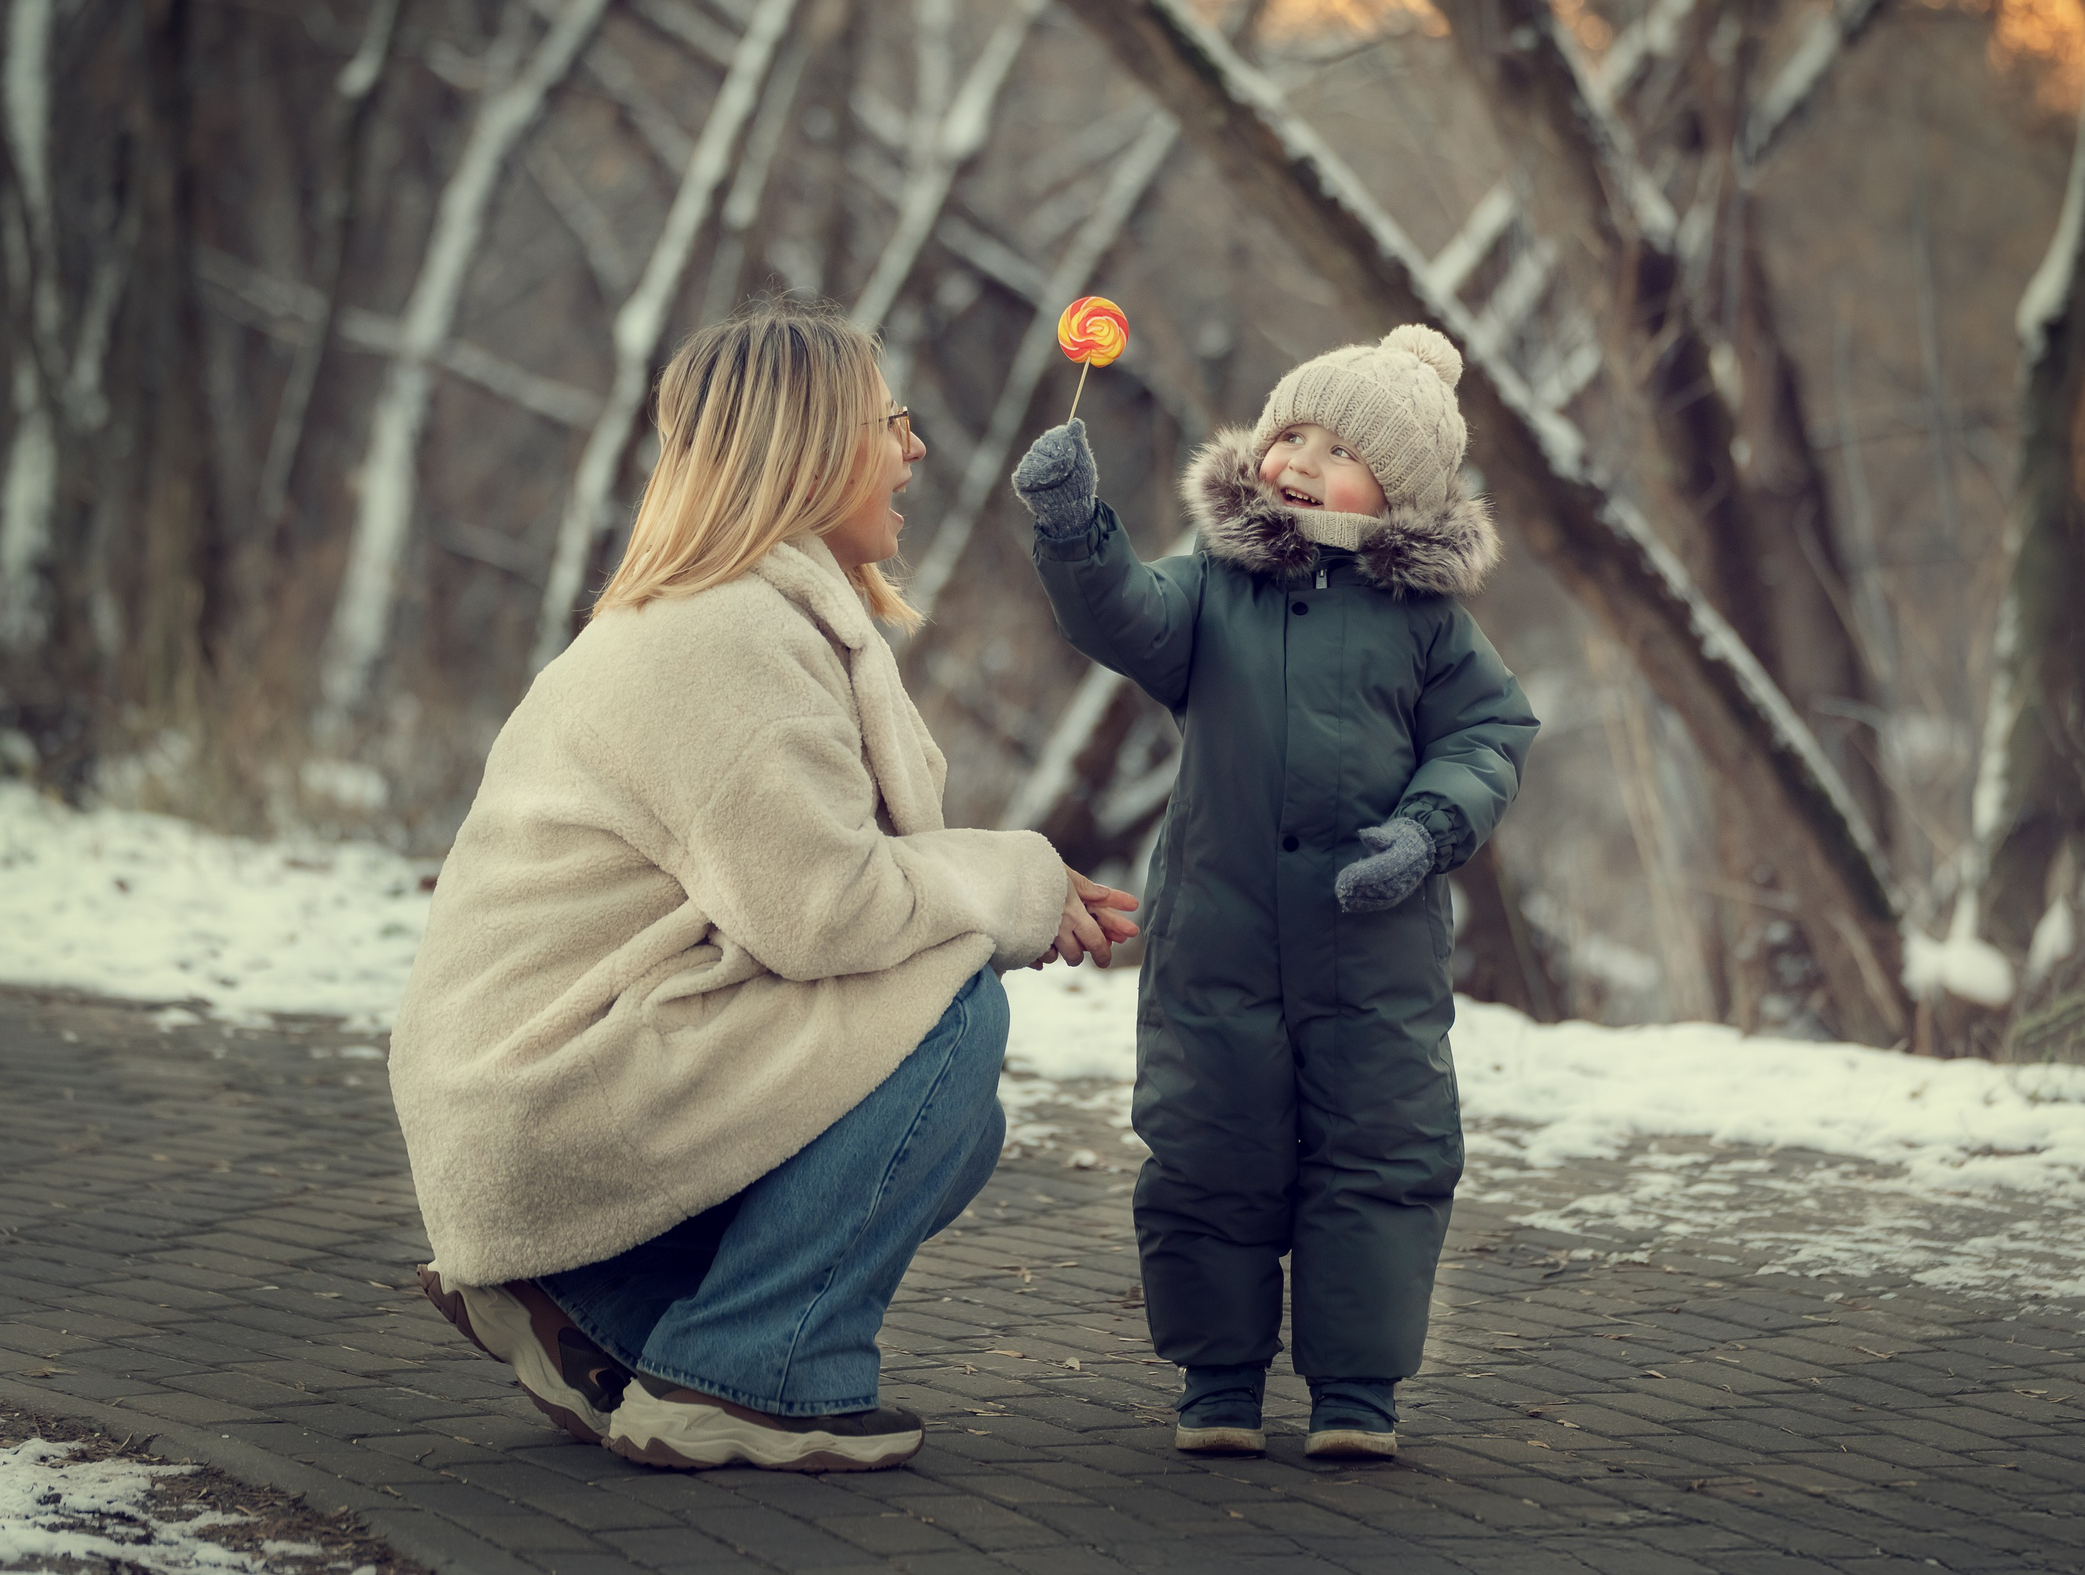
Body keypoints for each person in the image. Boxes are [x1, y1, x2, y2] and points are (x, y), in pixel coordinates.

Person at [389, 303, 1137, 1474]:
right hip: (546, 1086)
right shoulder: (726, 634)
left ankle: (597, 1308)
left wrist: (1007, 890)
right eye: (889, 422)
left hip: (556, 1075)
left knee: (958, 1125)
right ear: (807, 444)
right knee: (949, 1016)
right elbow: (824, 913)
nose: (915, 450)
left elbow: (811, 889)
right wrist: (1010, 887)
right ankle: (749, 1375)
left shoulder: (742, 615)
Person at [1008, 324, 1537, 1460]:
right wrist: (1073, 529)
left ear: (1395, 491)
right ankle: (1218, 1380)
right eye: (1286, 430)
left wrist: (1427, 829)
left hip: (1375, 953)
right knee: (1209, 1148)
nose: (1294, 457)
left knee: (1380, 1157)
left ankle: (1355, 1393)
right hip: (1222, 944)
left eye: (1333, 447)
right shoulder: (1212, 590)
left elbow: (1489, 735)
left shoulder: (1430, 624)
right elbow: (1120, 614)